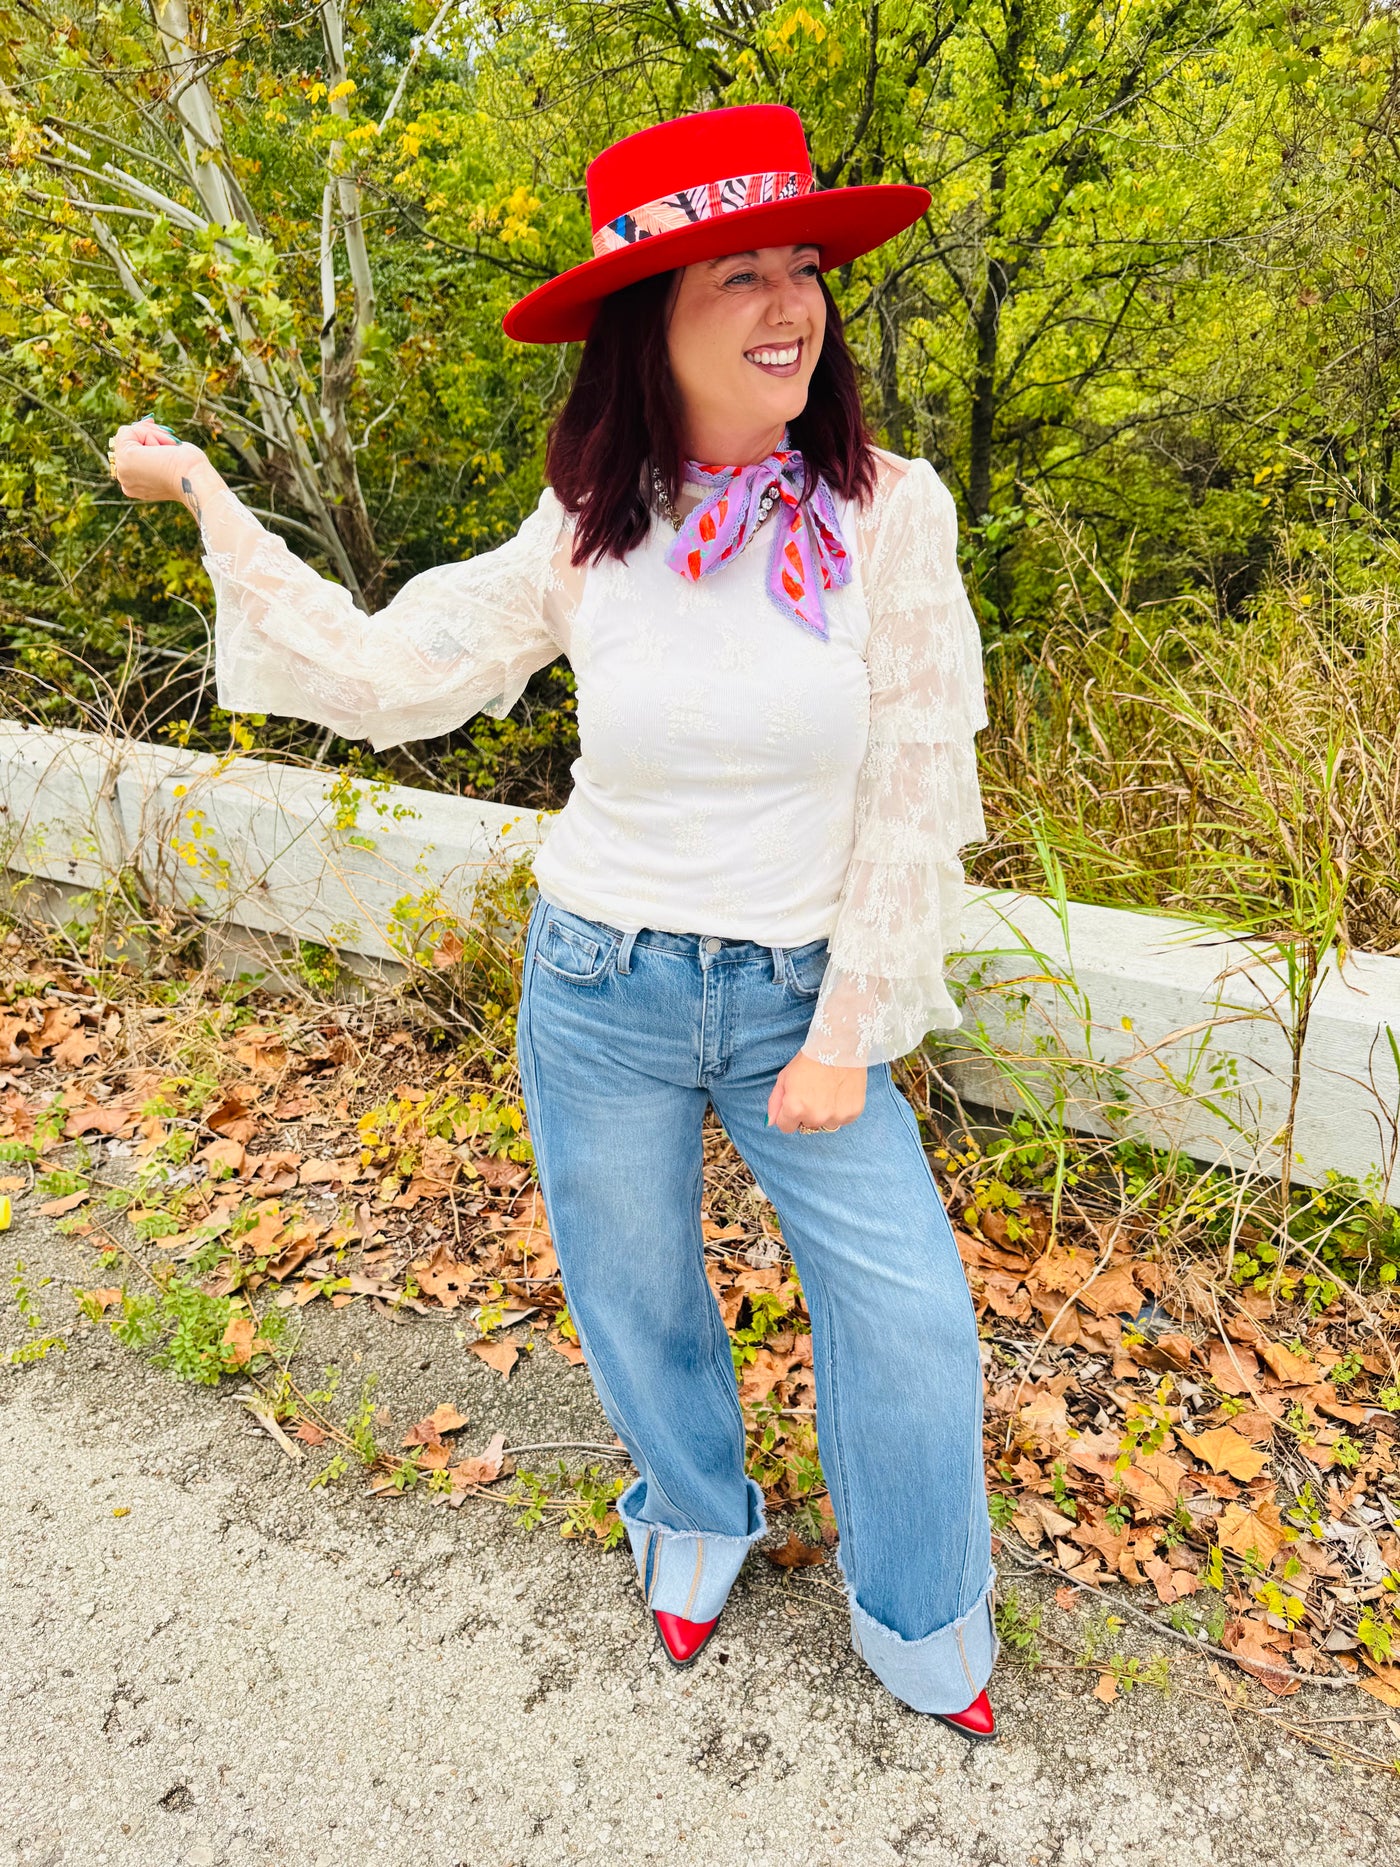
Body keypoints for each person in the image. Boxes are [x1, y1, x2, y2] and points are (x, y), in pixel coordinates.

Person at [108, 103, 997, 1741]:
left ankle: (926, 1619)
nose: (790, 301)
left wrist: (850, 1024)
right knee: (631, 1285)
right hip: (601, 981)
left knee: (909, 1316)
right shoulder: (590, 527)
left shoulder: (892, 508)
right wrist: (210, 501)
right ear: (651, 323)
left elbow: (919, 786)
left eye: (802, 266)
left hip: (805, 991)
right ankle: (696, 1519)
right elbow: (388, 674)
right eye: (740, 274)